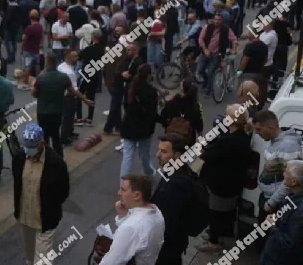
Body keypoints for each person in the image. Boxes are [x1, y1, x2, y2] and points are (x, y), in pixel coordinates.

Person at [196, 104, 252, 253]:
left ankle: (214, 242)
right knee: (226, 212)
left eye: (227, 116)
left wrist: (202, 149)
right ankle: (220, 234)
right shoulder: (242, 137)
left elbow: (209, 155)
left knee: (216, 212)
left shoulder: (229, 141)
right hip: (232, 183)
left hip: (220, 183)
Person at [12, 123, 70, 265]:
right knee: (30, 257)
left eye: (31, 147)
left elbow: (63, 192)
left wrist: (50, 206)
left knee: (42, 261)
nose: (28, 150)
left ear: (42, 143)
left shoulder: (56, 164)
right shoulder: (19, 158)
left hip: (45, 220)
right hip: (25, 217)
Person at [252, 110, 303, 251]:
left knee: (269, 244)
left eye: (259, 129)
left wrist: (271, 203)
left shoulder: (288, 146)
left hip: (276, 203)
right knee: (262, 240)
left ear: (270, 128)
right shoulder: (277, 141)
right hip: (269, 198)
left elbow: (291, 180)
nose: (257, 133)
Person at [33, 51, 94, 158]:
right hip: (57, 111)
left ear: (46, 62)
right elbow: (71, 91)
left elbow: (35, 94)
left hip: (43, 112)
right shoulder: (64, 77)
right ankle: (60, 159)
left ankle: (44, 158)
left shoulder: (40, 78)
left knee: (44, 137)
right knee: (56, 136)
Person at [150, 133, 199, 265]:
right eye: (158, 150)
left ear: (177, 155)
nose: (157, 154)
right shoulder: (175, 171)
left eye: (163, 151)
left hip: (167, 247)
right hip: (173, 243)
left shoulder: (177, 184)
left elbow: (168, 221)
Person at [99, 174, 165, 265]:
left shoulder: (130, 227)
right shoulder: (157, 213)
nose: (119, 193)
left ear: (137, 195)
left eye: (123, 190)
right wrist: (123, 215)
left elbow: (110, 262)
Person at [260, 160, 303, 265]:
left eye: (286, 172)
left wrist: (272, 226)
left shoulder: (302, 210)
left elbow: (289, 244)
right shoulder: (299, 197)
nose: (283, 174)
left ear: (294, 182)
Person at [119, 64, 158, 179]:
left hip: (129, 126)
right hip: (144, 128)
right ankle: (149, 172)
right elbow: (152, 113)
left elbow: (126, 106)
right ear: (149, 75)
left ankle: (123, 184)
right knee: (144, 154)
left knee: (127, 156)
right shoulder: (151, 91)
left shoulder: (130, 87)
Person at [196, 14, 238, 96]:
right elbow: (200, 39)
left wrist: (234, 49)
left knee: (211, 71)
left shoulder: (226, 29)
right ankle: (207, 80)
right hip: (205, 53)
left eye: (219, 20)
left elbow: (234, 39)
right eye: (215, 19)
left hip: (216, 54)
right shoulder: (207, 27)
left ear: (222, 21)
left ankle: (208, 90)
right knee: (200, 70)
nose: (217, 21)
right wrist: (205, 50)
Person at [159, 78, 203, 146]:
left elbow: (162, 117)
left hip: (171, 139)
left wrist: (167, 125)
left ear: (182, 88)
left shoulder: (173, 102)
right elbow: (199, 126)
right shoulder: (195, 106)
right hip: (187, 141)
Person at [76, 30, 103, 126]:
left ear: (93, 37)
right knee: (91, 96)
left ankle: (79, 117)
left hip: (85, 74)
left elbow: (79, 56)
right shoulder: (102, 50)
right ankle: (90, 118)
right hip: (95, 75)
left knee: (79, 95)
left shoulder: (88, 49)